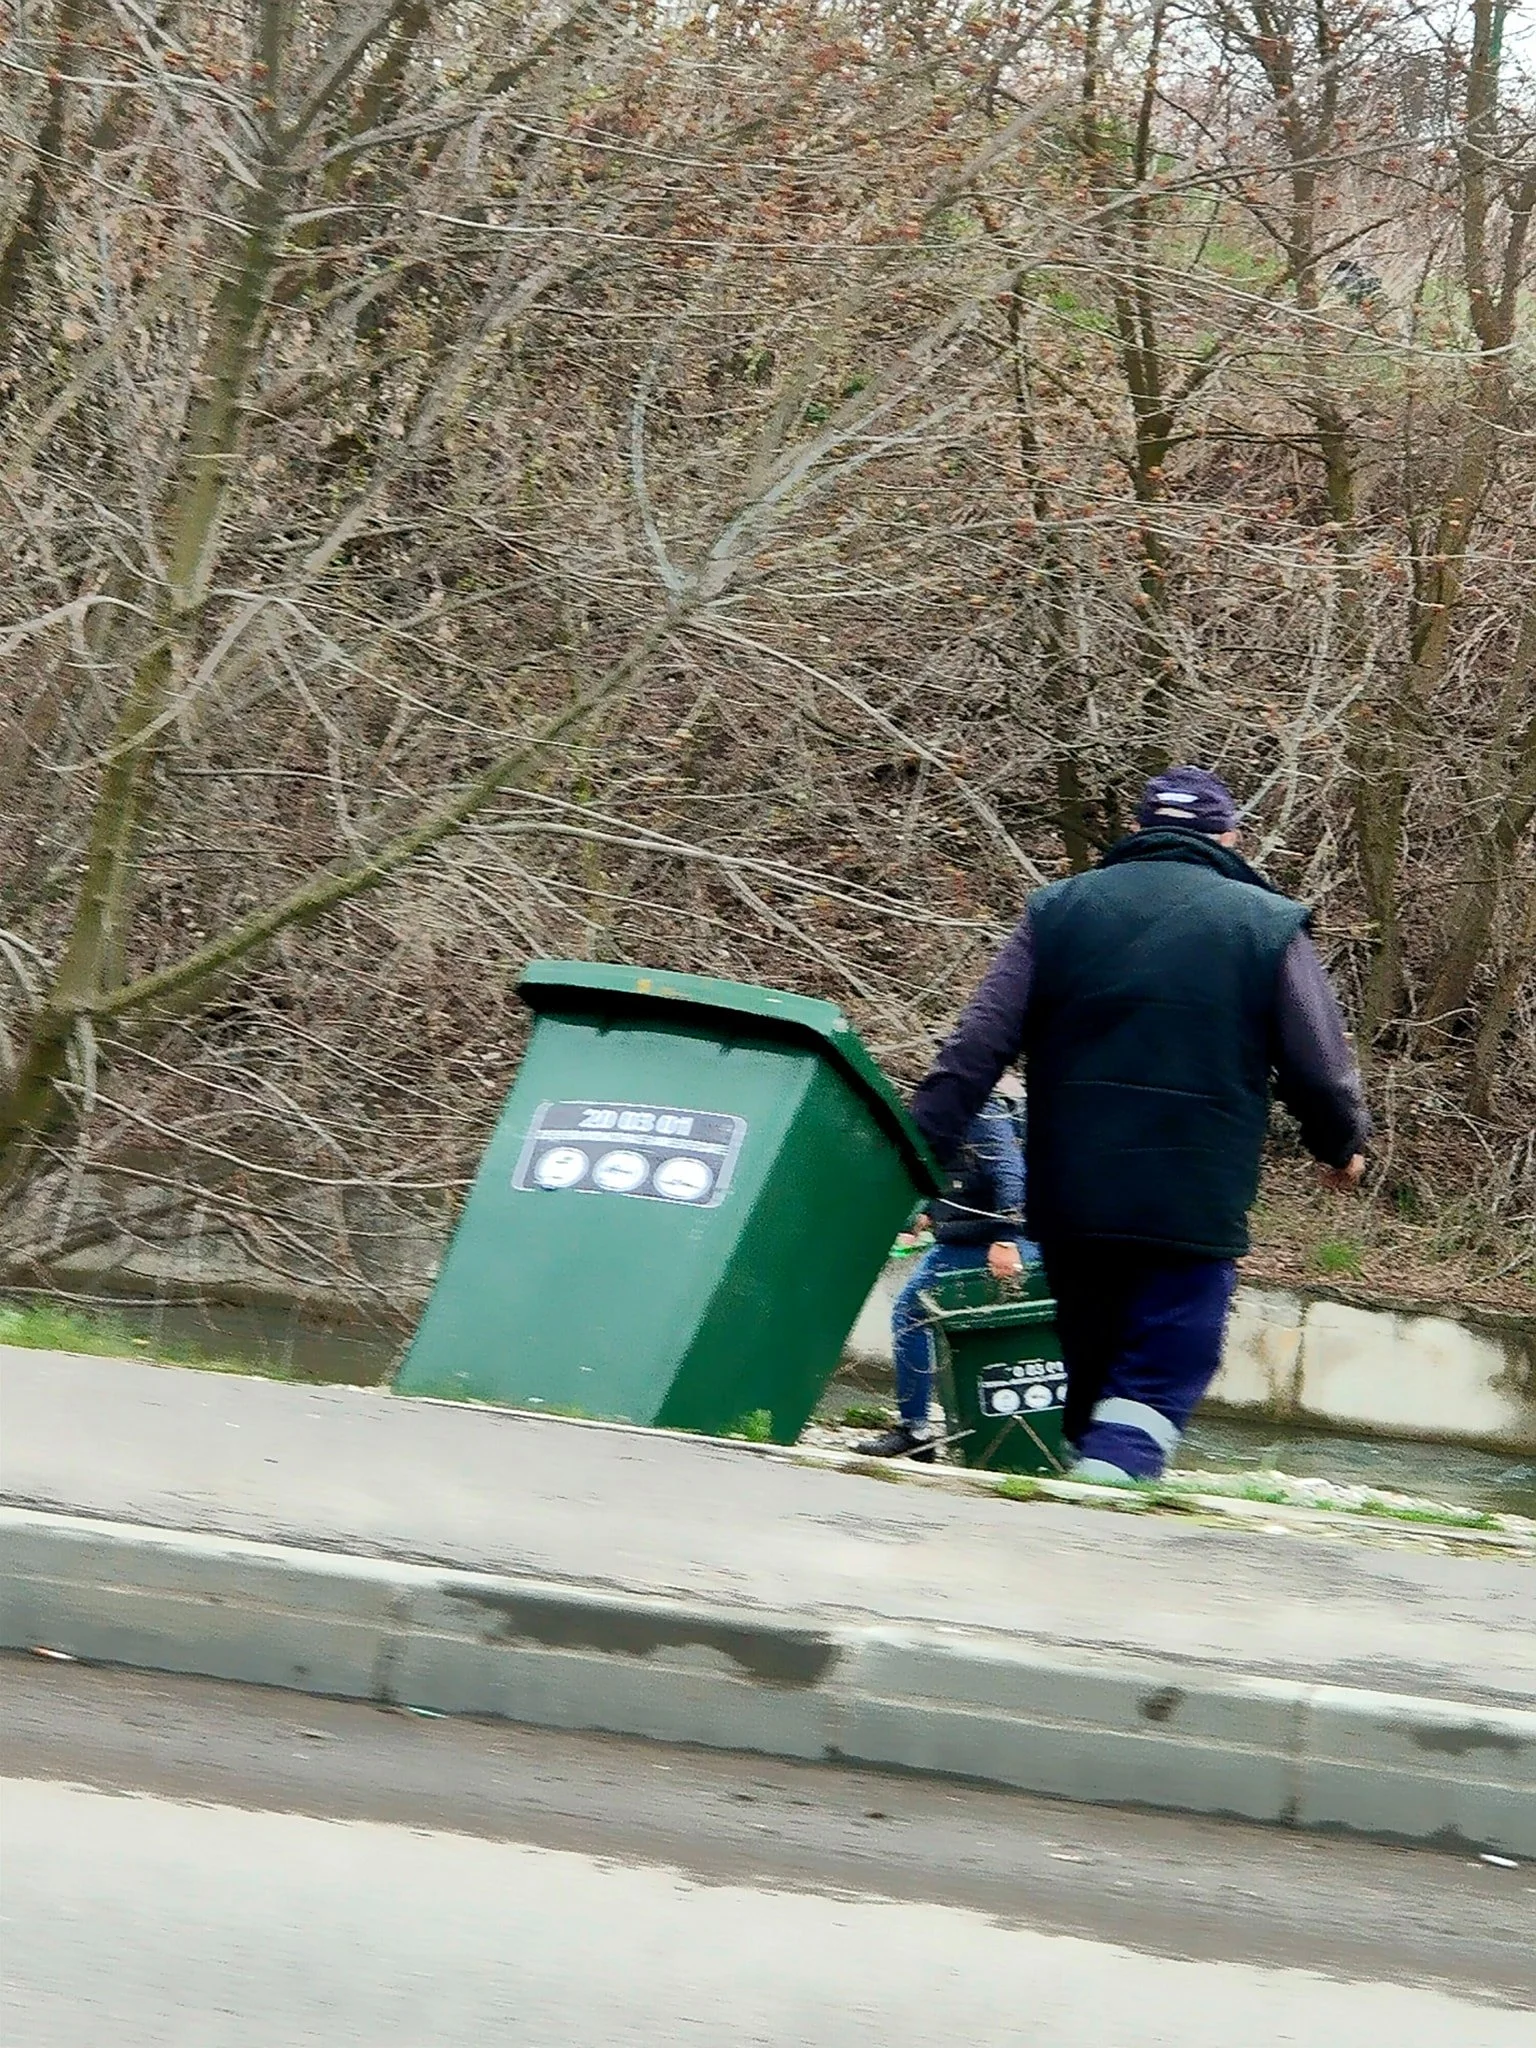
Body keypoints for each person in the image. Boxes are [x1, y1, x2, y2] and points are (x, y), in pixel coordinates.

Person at [908, 766, 1370, 1483]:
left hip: (1074, 1192)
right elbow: (1319, 1064)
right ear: (1228, 836)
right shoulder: (1266, 922)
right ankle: (1111, 1484)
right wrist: (1339, 1144)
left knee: (1092, 1357)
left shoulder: (1058, 911)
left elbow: (975, 1048)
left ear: (1136, 831)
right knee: (1166, 1357)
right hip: (1193, 1188)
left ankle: (1092, 1472)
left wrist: (920, 1152)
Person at [858, 1078, 1041, 1462]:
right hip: (971, 1238)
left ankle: (916, 1431)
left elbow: (1009, 1173)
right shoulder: (963, 1106)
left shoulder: (981, 1109)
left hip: (995, 1240)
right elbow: (956, 1177)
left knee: (911, 1315)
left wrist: (1008, 1238)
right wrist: (925, 1216)